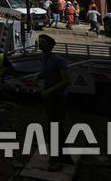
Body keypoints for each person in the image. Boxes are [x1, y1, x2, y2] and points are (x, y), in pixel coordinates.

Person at [38, 34, 71, 172]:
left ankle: (56, 160)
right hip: (50, 99)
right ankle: (64, 156)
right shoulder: (44, 58)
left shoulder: (58, 60)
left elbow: (66, 81)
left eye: (44, 42)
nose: (41, 44)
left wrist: (49, 91)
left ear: (51, 46)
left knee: (53, 130)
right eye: (40, 42)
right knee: (57, 128)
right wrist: (39, 75)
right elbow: (47, 72)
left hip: (58, 98)